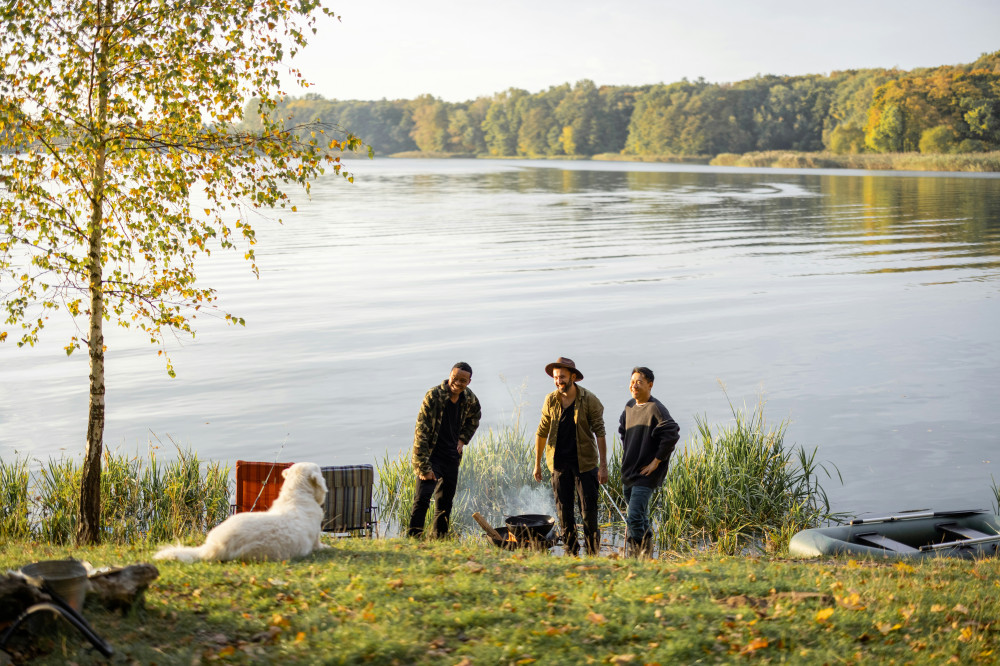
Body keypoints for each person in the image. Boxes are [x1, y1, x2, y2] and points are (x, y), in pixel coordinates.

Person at [533, 357, 608, 556]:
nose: (558, 381)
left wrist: (603, 466)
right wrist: (537, 464)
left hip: (585, 464)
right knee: (564, 512)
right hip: (558, 464)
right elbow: (541, 432)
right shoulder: (550, 400)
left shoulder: (589, 399)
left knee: (588, 512)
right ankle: (571, 552)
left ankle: (592, 554)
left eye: (562, 377)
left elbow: (600, 432)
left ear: (573, 377)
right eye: (556, 377)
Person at [407, 362, 481, 538]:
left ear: (469, 382)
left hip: (452, 457)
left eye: (463, 380)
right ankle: (413, 539)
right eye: (455, 378)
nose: (458, 383)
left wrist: (462, 439)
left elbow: (475, 417)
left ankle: (439, 539)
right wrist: (423, 467)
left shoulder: (469, 398)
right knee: (422, 499)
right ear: (450, 375)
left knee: (445, 502)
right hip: (431, 456)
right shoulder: (434, 396)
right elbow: (421, 432)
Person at [618, 366, 679, 558]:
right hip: (629, 471)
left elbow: (671, 434)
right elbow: (623, 431)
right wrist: (628, 454)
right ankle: (647, 555)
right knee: (641, 516)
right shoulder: (629, 406)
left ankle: (636, 556)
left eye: (639, 382)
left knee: (634, 516)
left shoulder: (656, 409)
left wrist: (656, 462)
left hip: (646, 475)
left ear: (650, 385)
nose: (634, 386)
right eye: (632, 382)